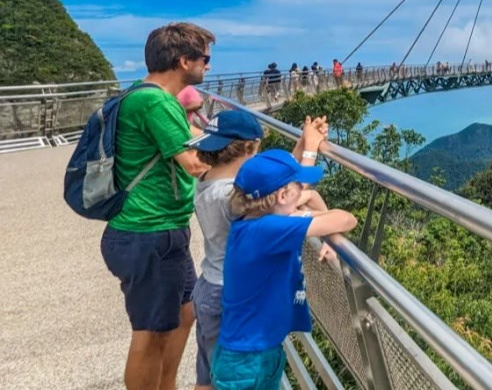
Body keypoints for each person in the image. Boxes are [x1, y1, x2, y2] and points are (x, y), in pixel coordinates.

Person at [100, 22, 214, 390]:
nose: (208, 67)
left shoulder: (142, 93)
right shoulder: (156, 102)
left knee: (184, 312)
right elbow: (196, 164)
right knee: (149, 335)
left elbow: (192, 137)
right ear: (184, 61)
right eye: (204, 59)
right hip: (147, 233)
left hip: (160, 234)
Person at [187, 111, 331, 390]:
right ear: (251, 148)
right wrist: (311, 150)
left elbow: (271, 186)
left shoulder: (210, 180)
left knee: (207, 376)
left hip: (208, 287)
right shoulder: (228, 197)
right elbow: (286, 198)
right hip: (230, 298)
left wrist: (303, 142)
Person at [211, 135, 357, 389]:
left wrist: (310, 221)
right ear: (282, 195)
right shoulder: (270, 229)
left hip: (251, 354)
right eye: (298, 185)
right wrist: (306, 216)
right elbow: (346, 219)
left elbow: (309, 197)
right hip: (249, 362)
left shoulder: (251, 220)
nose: (303, 189)